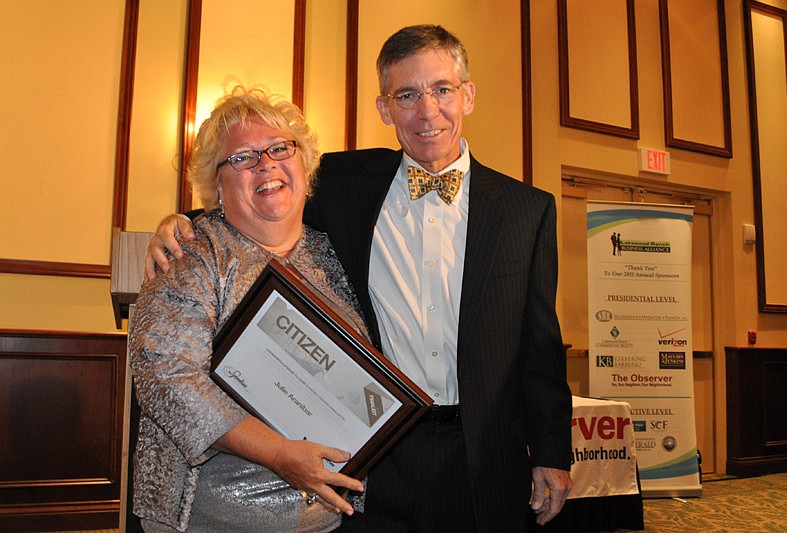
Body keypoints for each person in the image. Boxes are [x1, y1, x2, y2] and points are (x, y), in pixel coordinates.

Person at [146, 25, 573, 532]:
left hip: (482, 451)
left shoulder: (527, 211)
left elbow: (540, 347)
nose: (427, 111)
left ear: (468, 96)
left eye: (442, 89)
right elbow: (257, 197)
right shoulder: (343, 182)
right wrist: (181, 222)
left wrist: (552, 452)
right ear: (384, 109)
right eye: (406, 95)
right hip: (376, 453)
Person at [129, 87, 365, 532]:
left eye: (279, 148)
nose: (266, 164)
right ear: (216, 186)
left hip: (324, 519)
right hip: (207, 518)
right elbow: (166, 378)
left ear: (304, 164)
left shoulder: (335, 253)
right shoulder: (190, 253)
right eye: (242, 157)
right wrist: (278, 453)